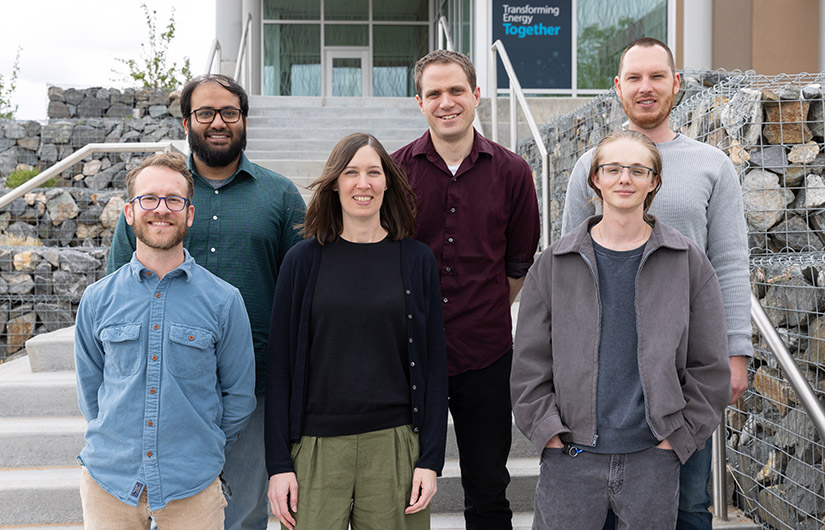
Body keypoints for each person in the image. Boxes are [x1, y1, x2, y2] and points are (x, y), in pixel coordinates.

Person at [561, 38, 752, 530]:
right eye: (635, 78)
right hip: (606, 372)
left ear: (676, 85)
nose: (646, 88)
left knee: (687, 504)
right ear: (619, 88)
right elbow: (568, 273)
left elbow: (730, 262)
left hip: (685, 368)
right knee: (599, 511)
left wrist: (734, 353)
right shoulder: (591, 166)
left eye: (657, 76)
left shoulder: (713, 167)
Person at [106, 74, 306, 530]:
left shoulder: (280, 196)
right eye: (205, 113)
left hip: (254, 390)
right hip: (164, 391)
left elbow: (303, 294)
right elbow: (119, 291)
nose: (218, 122)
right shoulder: (159, 199)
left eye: (229, 113)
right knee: (169, 515)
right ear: (186, 122)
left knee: (244, 515)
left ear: (244, 120)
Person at [513, 130, 731, 530]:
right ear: (595, 178)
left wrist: (673, 444)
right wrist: (549, 436)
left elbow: (710, 367)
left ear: (654, 182)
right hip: (571, 459)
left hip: (653, 458)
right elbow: (529, 366)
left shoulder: (688, 262)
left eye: (637, 170)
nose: (624, 179)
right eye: (612, 169)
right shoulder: (553, 264)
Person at [264, 132, 448, 530]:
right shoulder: (301, 261)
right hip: (314, 450)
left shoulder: (416, 260)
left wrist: (430, 459)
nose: (362, 183)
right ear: (334, 182)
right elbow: (279, 367)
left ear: (387, 182)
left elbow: (434, 367)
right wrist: (279, 464)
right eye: (351, 172)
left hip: (395, 446)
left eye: (373, 172)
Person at [391, 50, 540, 529]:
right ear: (419, 102)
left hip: (486, 354)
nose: (446, 102)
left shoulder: (513, 172)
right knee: (398, 486)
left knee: (488, 487)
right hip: (406, 354)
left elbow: (518, 262)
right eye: (433, 93)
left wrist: (486, 309)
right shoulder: (393, 173)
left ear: (476, 96)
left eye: (456, 90)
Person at [75, 152, 257, 530]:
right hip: (109, 485)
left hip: (192, 489)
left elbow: (239, 397)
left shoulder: (224, 301)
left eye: (174, 200)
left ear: (189, 213)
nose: (162, 209)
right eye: (149, 199)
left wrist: (199, 447)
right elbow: (91, 394)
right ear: (130, 212)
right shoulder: (97, 300)